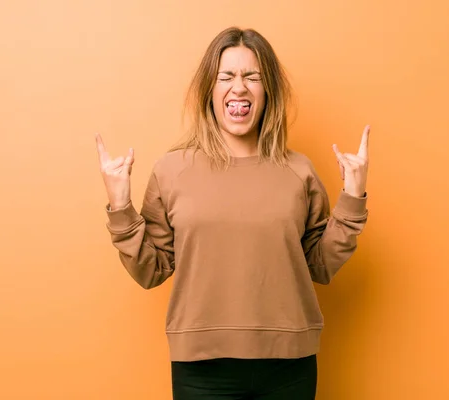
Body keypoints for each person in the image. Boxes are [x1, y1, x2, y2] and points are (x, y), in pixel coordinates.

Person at [95, 26, 369, 400]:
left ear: (266, 90)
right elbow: (150, 270)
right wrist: (120, 206)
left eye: (251, 77)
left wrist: (352, 199)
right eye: (227, 76)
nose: (238, 87)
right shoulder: (172, 170)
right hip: (201, 370)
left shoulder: (298, 170)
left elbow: (318, 265)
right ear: (211, 89)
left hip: (289, 366)